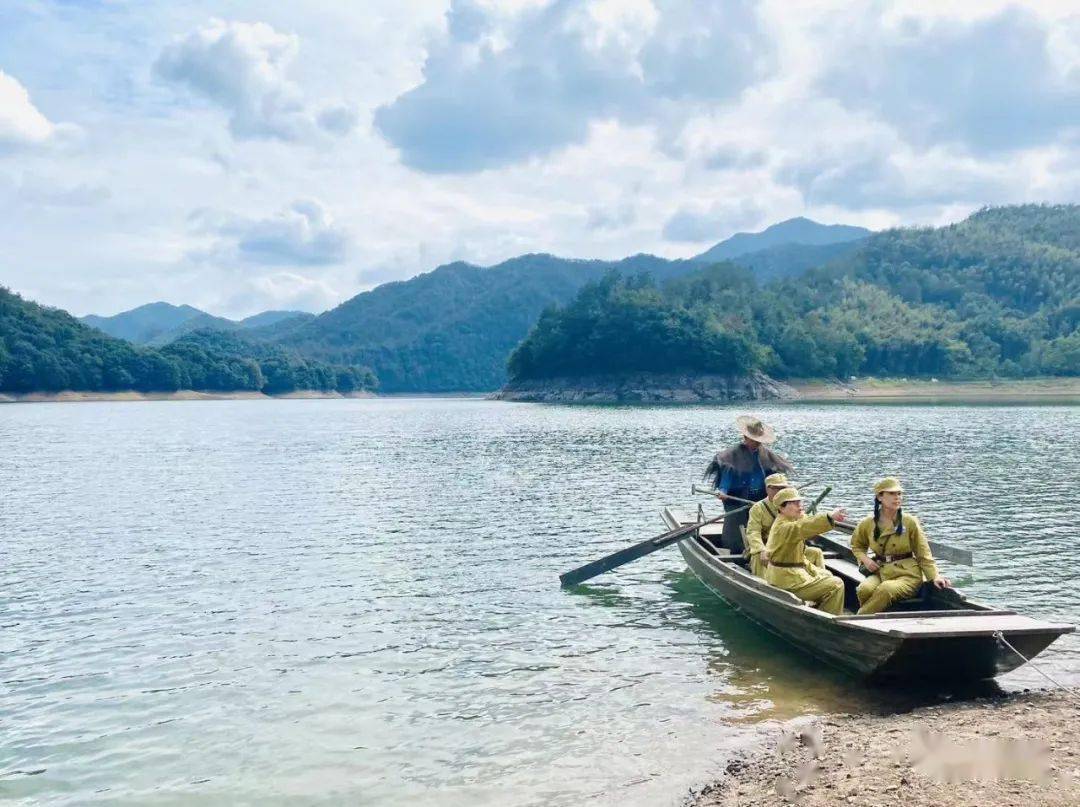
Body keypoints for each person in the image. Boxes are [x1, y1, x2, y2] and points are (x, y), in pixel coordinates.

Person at [850, 477, 951, 616]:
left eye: (899, 494)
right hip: (881, 571)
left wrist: (934, 576)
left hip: (907, 574)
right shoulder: (868, 523)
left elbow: (923, 553)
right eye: (891, 494)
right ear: (880, 497)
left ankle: (859, 619)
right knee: (864, 589)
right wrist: (866, 560)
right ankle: (876, 619)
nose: (897, 497)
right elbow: (856, 546)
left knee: (886, 589)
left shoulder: (909, 522)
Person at [703, 415, 793, 554]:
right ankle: (737, 554)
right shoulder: (732, 455)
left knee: (765, 527)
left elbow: (773, 477)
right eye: (754, 440)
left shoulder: (767, 455)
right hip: (737, 500)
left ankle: (767, 552)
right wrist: (723, 491)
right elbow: (726, 478)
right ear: (745, 438)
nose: (757, 443)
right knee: (737, 533)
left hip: (761, 500)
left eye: (759, 440)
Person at [762, 488, 847, 615]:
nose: (800, 506)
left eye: (800, 503)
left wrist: (815, 572)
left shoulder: (789, 520)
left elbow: (806, 522)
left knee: (827, 574)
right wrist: (829, 516)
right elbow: (804, 526)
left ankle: (819, 606)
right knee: (837, 584)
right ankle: (827, 621)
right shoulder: (783, 527)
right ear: (781, 508)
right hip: (787, 580)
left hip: (789, 575)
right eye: (795, 503)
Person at [743, 473, 826, 578]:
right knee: (758, 556)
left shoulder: (792, 505)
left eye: (783, 488)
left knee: (816, 552)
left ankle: (821, 581)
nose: (780, 491)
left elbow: (805, 523)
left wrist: (821, 524)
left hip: (788, 548)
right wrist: (761, 549)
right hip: (768, 548)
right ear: (768, 489)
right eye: (777, 488)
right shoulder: (758, 508)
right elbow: (753, 532)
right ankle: (764, 585)